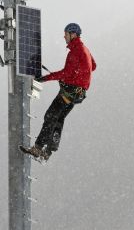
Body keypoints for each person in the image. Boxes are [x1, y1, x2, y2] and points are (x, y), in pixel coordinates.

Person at [21, 23, 96, 161]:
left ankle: (38, 148)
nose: (64, 36)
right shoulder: (84, 49)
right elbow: (93, 66)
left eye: (66, 34)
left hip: (70, 91)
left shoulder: (76, 51)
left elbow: (65, 73)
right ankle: (48, 151)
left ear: (73, 34)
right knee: (58, 118)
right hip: (79, 94)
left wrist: (44, 78)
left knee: (51, 116)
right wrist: (79, 77)